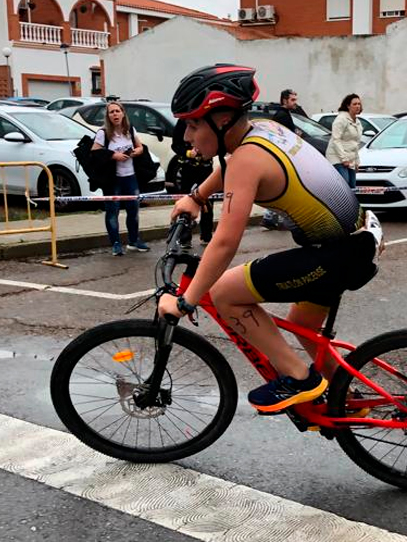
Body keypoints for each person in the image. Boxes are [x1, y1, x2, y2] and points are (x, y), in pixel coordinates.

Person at [158, 64, 381, 414]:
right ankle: (346, 400)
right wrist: (197, 196)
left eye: (194, 124)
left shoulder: (248, 159)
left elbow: (224, 242)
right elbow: (228, 166)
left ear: (223, 119)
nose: (187, 135)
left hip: (337, 253)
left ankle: (299, 378)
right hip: (358, 237)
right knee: (305, 327)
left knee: (224, 294)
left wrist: (186, 300)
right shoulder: (263, 128)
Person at [91, 101, 150, 256]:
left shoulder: (130, 130)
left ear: (123, 113)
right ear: (108, 116)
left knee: (133, 210)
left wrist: (137, 151)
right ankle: (116, 243)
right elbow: (95, 152)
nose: (115, 114)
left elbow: (140, 147)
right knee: (112, 211)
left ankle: (134, 240)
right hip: (113, 179)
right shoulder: (103, 133)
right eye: (112, 112)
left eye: (117, 111)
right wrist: (113, 155)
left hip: (130, 176)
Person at [168, 118, 215, 242]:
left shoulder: (208, 120)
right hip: (188, 168)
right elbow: (175, 145)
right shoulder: (183, 121)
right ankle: (184, 236)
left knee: (208, 202)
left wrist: (208, 151)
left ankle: (206, 235)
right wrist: (188, 153)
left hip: (205, 168)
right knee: (186, 200)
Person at [325, 94, 364, 188]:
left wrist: (356, 162)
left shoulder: (357, 122)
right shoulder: (341, 119)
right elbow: (336, 140)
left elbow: (355, 143)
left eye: (359, 104)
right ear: (348, 106)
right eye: (354, 104)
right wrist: (344, 159)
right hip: (337, 157)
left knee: (352, 186)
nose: (358, 106)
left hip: (350, 159)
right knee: (344, 185)